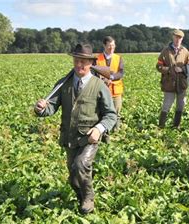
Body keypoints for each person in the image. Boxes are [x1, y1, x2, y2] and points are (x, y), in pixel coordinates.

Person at [34, 43, 117, 214]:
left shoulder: (99, 85)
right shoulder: (64, 84)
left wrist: (99, 129)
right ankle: (81, 199)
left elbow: (111, 115)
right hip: (69, 137)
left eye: (84, 62)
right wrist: (41, 109)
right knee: (73, 178)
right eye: (77, 61)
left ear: (91, 64)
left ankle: (88, 197)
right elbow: (51, 108)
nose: (80, 65)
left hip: (89, 137)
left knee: (81, 165)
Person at [156, 29, 189, 129]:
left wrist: (182, 69)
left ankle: (176, 126)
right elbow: (159, 66)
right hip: (169, 83)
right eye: (176, 37)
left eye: (180, 38)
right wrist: (169, 69)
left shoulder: (185, 51)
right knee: (166, 106)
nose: (177, 39)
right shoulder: (165, 51)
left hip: (181, 84)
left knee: (180, 106)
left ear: (182, 39)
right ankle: (161, 127)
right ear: (173, 37)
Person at [96, 36, 124, 131]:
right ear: (104, 45)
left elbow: (120, 73)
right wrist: (104, 80)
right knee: (102, 113)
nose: (111, 48)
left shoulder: (118, 58)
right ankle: (104, 133)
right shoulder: (97, 59)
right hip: (102, 91)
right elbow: (94, 73)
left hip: (116, 91)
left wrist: (111, 77)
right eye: (109, 46)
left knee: (117, 113)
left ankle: (116, 132)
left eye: (113, 45)